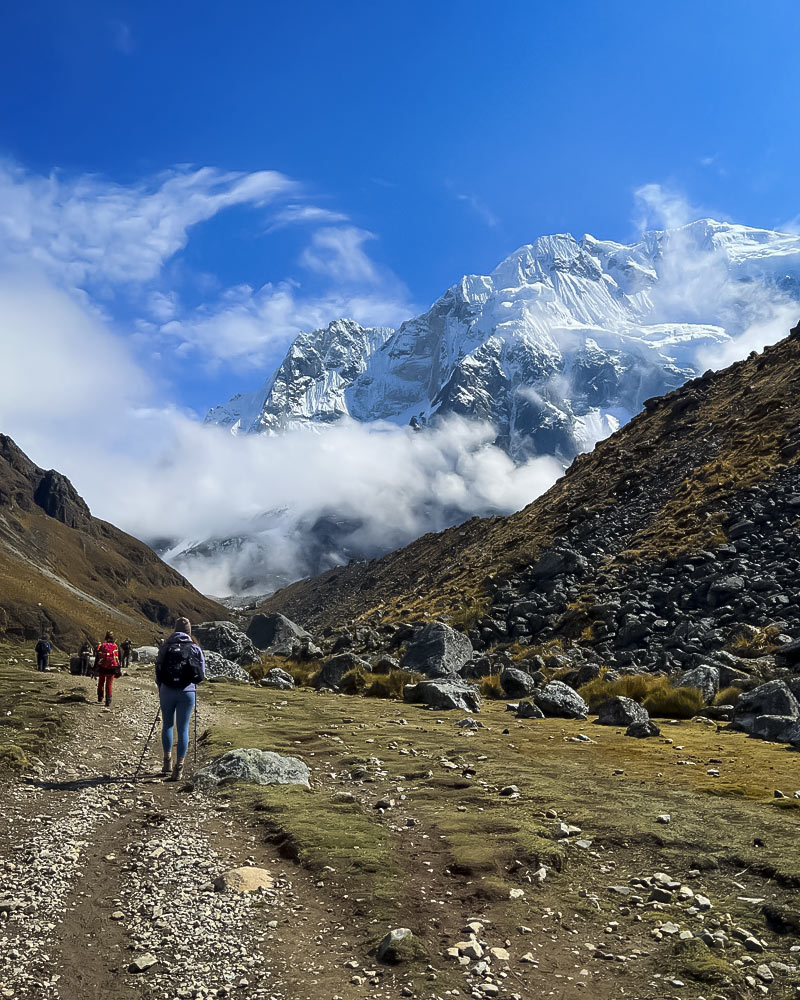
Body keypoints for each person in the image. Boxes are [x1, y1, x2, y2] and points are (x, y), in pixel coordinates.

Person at [154, 617, 205, 782]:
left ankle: (167, 761)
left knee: (167, 725)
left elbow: (158, 670)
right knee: (183, 729)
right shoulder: (195, 648)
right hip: (187, 692)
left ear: (175, 630)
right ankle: (179, 767)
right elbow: (201, 674)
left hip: (167, 691)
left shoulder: (166, 647)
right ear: (189, 631)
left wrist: (161, 687)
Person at [95, 631, 120, 708]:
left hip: (103, 666)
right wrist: (119, 668)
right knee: (109, 684)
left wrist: (95, 666)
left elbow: (98, 656)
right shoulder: (115, 646)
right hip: (112, 667)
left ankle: (100, 697)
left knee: (101, 681)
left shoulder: (102, 645)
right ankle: (108, 700)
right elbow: (119, 658)